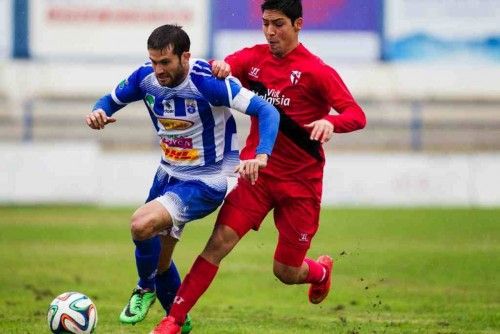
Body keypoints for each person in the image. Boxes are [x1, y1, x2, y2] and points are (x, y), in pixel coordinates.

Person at [150, 0, 367, 333]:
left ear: (298, 25)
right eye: (265, 23)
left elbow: (357, 115)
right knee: (218, 242)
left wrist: (331, 122)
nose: (270, 32)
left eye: (278, 24)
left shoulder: (317, 72)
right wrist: (221, 66)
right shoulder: (253, 59)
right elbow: (216, 69)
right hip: (256, 175)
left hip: (301, 186)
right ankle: (173, 320)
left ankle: (320, 272)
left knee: (285, 271)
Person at [85, 24, 279, 334]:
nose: (158, 70)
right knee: (160, 260)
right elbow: (108, 101)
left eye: (165, 62)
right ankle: (177, 320)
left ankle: (144, 288)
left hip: (208, 180)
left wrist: (262, 154)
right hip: (167, 174)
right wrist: (96, 113)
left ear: (184, 57)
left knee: (140, 224)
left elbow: (267, 110)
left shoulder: (208, 81)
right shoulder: (144, 78)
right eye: (153, 61)